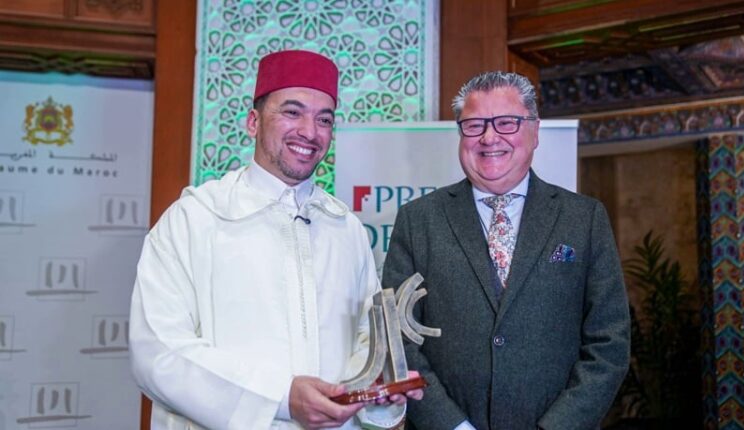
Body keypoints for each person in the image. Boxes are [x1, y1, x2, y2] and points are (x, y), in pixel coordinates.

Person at [130, 50, 419, 430]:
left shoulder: (344, 227)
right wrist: (281, 398)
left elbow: (367, 338)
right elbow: (158, 352)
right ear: (253, 122)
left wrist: (375, 387)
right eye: (292, 112)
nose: (310, 132)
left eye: (324, 119)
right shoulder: (194, 219)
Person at [382, 71, 630, 430]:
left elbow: (609, 342)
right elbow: (399, 340)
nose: (489, 137)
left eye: (506, 122)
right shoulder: (417, 220)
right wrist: (452, 426)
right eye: (474, 125)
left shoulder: (583, 218)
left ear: (535, 131)